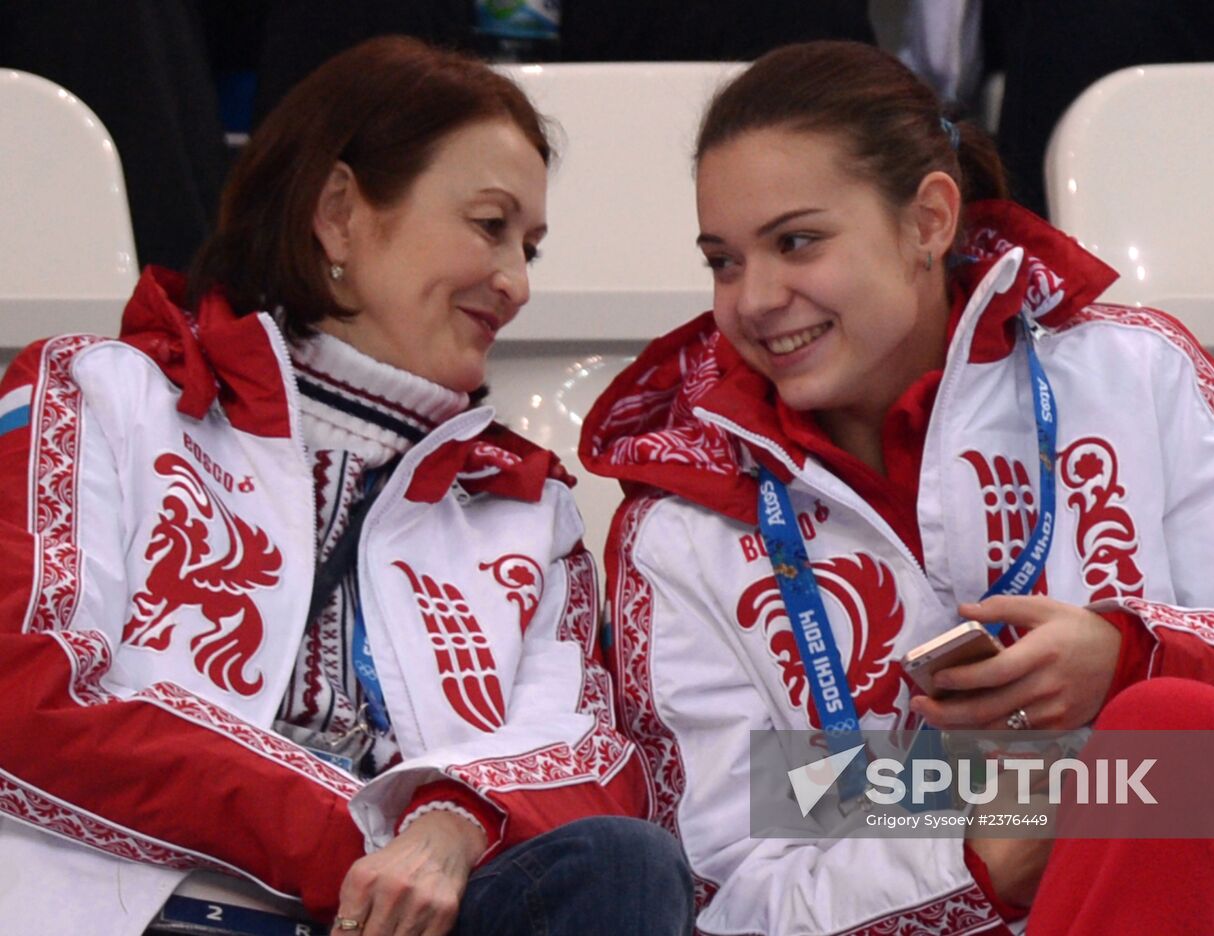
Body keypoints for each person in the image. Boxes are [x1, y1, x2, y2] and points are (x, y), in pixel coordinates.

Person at [579, 40, 1214, 934]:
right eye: (724, 260)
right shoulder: (679, 519)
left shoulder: (1133, 373)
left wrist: (1129, 660)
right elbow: (713, 890)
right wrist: (982, 855)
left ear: (929, 220)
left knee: (1176, 730)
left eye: (797, 241)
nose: (757, 298)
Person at [0, 35, 694, 936]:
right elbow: (29, 696)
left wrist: (452, 823)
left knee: (625, 864)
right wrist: (371, 835)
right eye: (491, 226)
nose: (517, 281)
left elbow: (600, 764)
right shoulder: (102, 396)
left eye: (531, 245)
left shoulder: (526, 508)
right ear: (337, 212)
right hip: (135, 914)